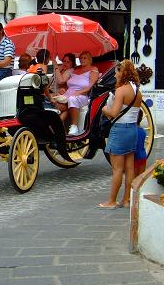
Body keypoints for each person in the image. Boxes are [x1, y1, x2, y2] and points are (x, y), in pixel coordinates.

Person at [99, 59, 142, 209]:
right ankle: (126, 199)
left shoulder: (121, 90)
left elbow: (113, 113)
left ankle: (111, 201)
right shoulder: (137, 90)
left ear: (122, 72)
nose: (115, 75)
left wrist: (104, 109)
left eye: (116, 72)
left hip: (120, 130)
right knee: (129, 167)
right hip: (132, 129)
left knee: (117, 169)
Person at [62, 51, 99, 136]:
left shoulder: (93, 70)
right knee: (54, 101)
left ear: (90, 60)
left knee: (72, 99)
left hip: (83, 95)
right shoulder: (76, 70)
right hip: (68, 93)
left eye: (84, 58)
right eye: (81, 58)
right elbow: (70, 84)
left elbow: (90, 87)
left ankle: (74, 126)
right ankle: (58, 127)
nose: (82, 60)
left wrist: (78, 92)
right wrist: (64, 90)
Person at [134, 109, 148, 177]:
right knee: (140, 180)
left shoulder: (132, 131)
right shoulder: (143, 131)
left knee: (133, 181)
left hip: (135, 158)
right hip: (143, 156)